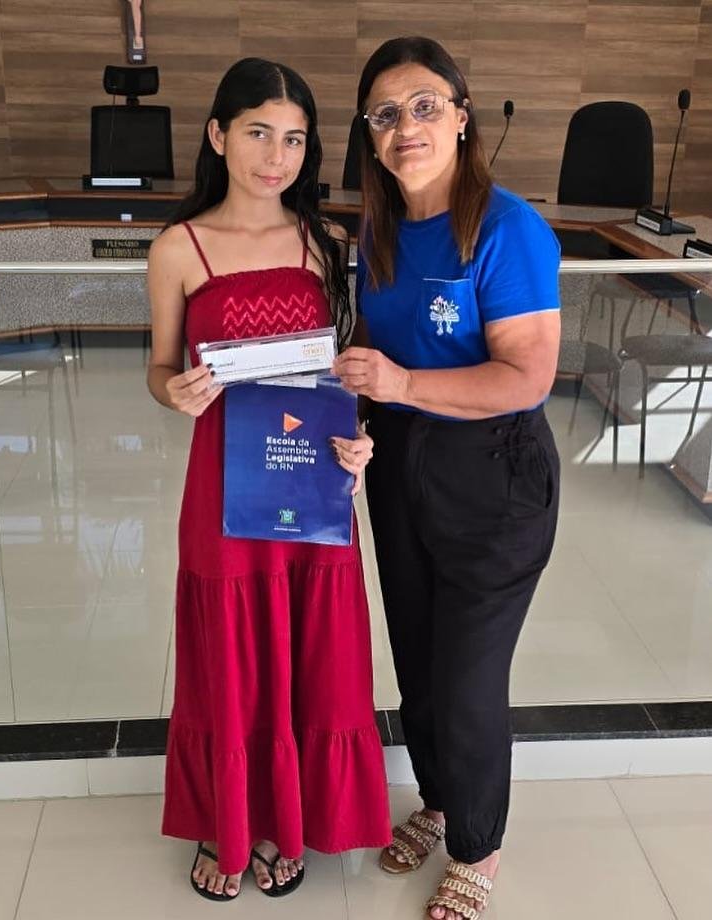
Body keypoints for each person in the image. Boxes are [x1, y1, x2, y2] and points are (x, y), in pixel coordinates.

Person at [147, 57, 391, 903]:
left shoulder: (324, 242)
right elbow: (158, 366)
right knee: (230, 649)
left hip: (310, 478)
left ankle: (292, 817)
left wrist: (358, 440)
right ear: (218, 135)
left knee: (310, 645)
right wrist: (173, 392)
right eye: (258, 133)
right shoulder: (178, 248)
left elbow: (340, 374)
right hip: (221, 482)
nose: (276, 156)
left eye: (293, 139)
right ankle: (230, 814)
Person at [333, 37, 561, 920]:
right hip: (401, 463)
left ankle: (478, 845)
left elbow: (526, 376)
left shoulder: (507, 228)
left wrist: (398, 386)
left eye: (425, 105)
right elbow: (373, 349)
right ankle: (438, 800)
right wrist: (357, 422)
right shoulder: (378, 229)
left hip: (492, 474)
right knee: (420, 664)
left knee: (466, 680)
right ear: (369, 135)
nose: (406, 127)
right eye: (385, 114)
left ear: (462, 117)